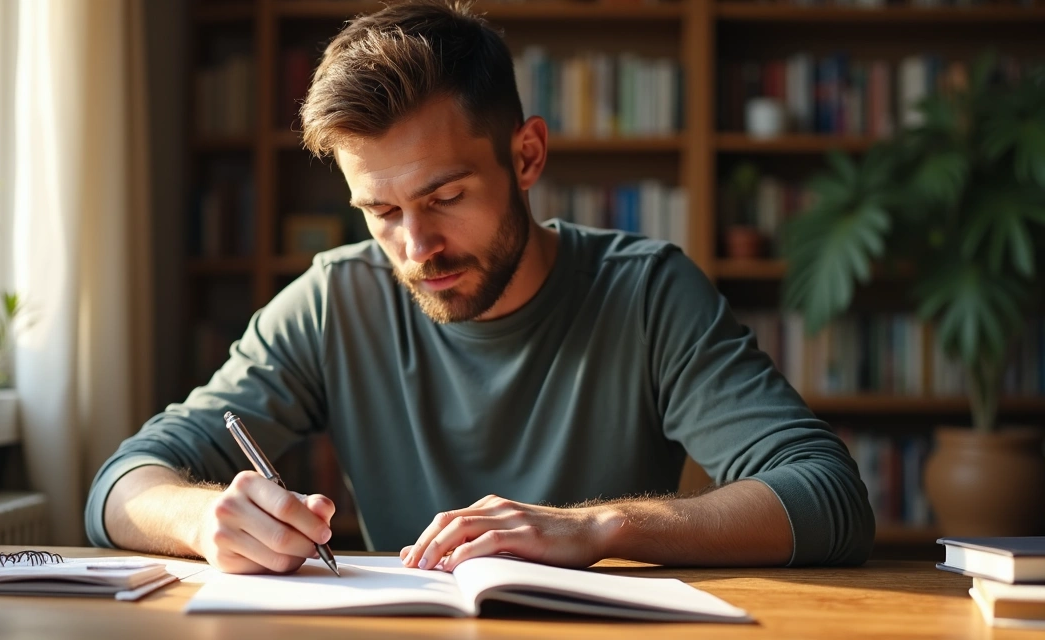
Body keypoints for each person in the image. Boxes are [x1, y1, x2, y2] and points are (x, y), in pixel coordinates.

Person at [86, 0, 873, 575]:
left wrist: (597, 528)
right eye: (382, 211)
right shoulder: (337, 301)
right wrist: (203, 518)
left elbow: (829, 496)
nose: (417, 246)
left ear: (527, 156)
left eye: (445, 198)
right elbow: (121, 486)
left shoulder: (647, 293)